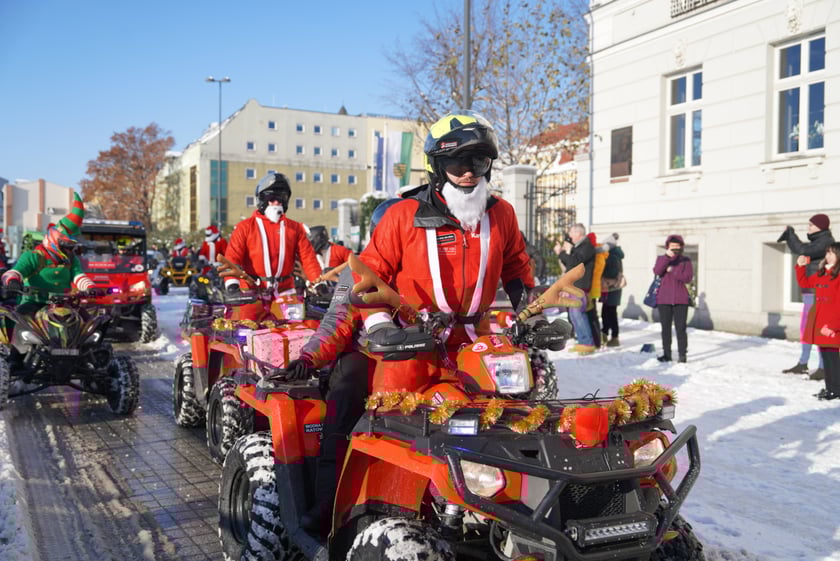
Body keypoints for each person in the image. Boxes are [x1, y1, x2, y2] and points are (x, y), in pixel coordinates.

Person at [303, 111, 566, 531]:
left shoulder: (501, 214)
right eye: (456, 163)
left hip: (472, 343)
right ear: (436, 167)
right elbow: (366, 280)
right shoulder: (402, 216)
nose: (467, 173)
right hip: (408, 344)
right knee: (380, 423)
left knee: (507, 420)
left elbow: (518, 270)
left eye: (477, 163)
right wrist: (380, 329)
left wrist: (532, 314)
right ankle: (339, 508)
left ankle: (510, 512)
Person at [288, 198, 401, 533]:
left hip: (418, 357)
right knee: (347, 389)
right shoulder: (358, 270)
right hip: (368, 355)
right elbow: (336, 323)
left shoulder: (421, 269)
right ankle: (329, 500)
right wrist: (308, 358)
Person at [1, 194, 95, 362]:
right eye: (67, 247)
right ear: (55, 241)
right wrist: (13, 282)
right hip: (34, 303)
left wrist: (90, 288)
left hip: (65, 303)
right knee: (17, 323)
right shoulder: (33, 256)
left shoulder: (71, 259)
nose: (70, 251)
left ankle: (93, 362)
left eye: (73, 247)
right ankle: (13, 362)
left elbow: (79, 276)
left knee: (89, 326)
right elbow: (14, 272)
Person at [222, 172, 322, 320]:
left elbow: (308, 259)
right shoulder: (245, 227)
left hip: (284, 290)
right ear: (262, 200)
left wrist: (319, 283)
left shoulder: (295, 228)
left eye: (281, 199)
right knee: (244, 330)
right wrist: (232, 285)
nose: (276, 203)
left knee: (296, 330)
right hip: (250, 291)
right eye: (272, 199)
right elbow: (232, 258)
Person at [779, 214, 834, 380]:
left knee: (817, 329)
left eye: (811, 225)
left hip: (820, 292)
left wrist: (790, 234)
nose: (808, 227)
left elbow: (801, 250)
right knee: (806, 328)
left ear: (820, 226)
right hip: (811, 291)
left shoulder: (825, 242)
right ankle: (803, 363)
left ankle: (824, 368)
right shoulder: (818, 241)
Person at [795, 243, 840, 400]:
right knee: (826, 357)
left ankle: (836, 390)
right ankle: (831, 389)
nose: (827, 256)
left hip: (832, 325)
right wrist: (800, 267)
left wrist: (834, 326)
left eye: (832, 253)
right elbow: (805, 284)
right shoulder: (822, 273)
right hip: (820, 322)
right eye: (827, 253)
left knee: (833, 358)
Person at [556, 223, 596, 354]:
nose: (570, 235)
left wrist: (562, 253)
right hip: (574, 286)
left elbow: (574, 262)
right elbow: (569, 266)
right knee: (573, 315)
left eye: (571, 233)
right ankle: (582, 341)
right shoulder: (579, 247)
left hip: (580, 286)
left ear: (579, 233)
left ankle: (587, 343)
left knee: (578, 314)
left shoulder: (587, 246)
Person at [653, 234, 694, 363]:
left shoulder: (686, 260)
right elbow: (657, 271)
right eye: (672, 246)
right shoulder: (662, 258)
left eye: (677, 246)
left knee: (680, 328)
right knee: (665, 328)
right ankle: (667, 354)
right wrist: (666, 258)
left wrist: (673, 270)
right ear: (668, 246)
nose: (675, 248)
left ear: (681, 247)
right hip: (663, 299)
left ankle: (682, 355)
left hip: (681, 299)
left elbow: (688, 278)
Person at [599, 233, 625, 347]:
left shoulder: (611, 256)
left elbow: (611, 273)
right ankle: (607, 335)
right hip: (612, 288)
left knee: (609, 313)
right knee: (608, 312)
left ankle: (613, 337)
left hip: (610, 289)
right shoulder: (615, 255)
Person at [586, 232, 606, 349]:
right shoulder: (600, 254)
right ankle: (597, 339)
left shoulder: (595, 255)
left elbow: (592, 272)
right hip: (595, 287)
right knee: (592, 315)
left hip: (590, 288)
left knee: (591, 315)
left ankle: (596, 340)